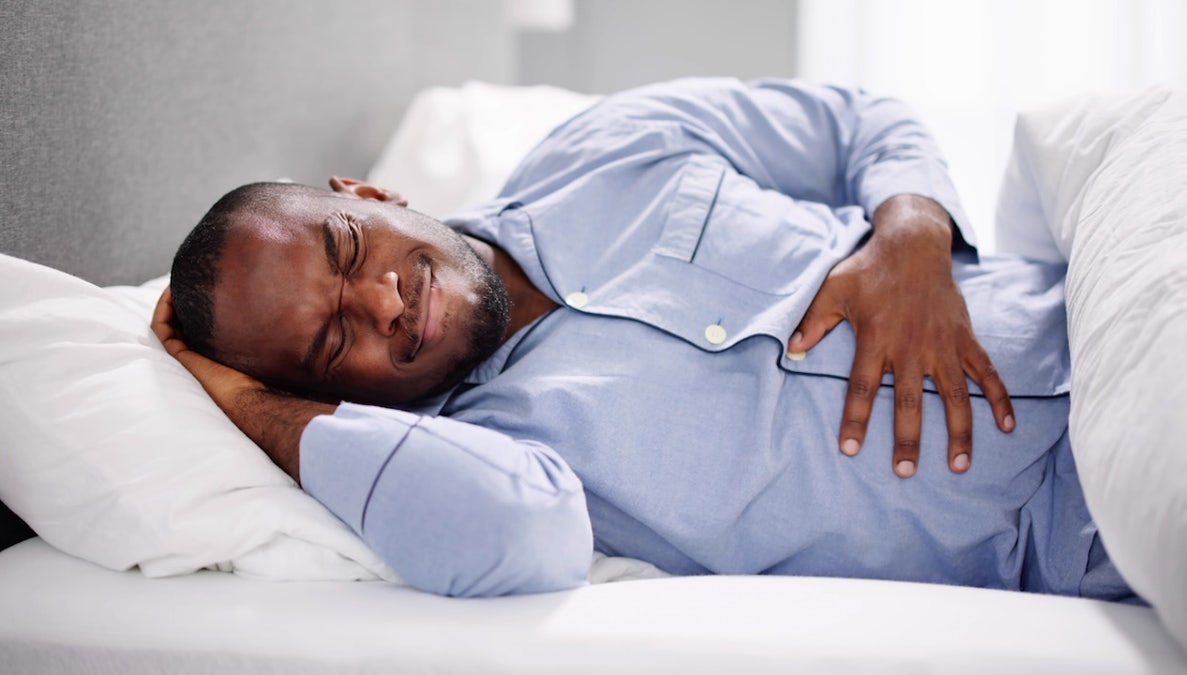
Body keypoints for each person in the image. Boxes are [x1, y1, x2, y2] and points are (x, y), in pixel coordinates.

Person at [155, 77, 1133, 601]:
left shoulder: (612, 144)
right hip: (1095, 538)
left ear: (368, 194)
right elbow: (512, 540)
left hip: (1120, 310)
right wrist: (241, 398)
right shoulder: (492, 455)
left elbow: (855, 122)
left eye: (348, 248)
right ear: (339, 398)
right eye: (333, 342)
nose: (382, 301)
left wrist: (913, 232)